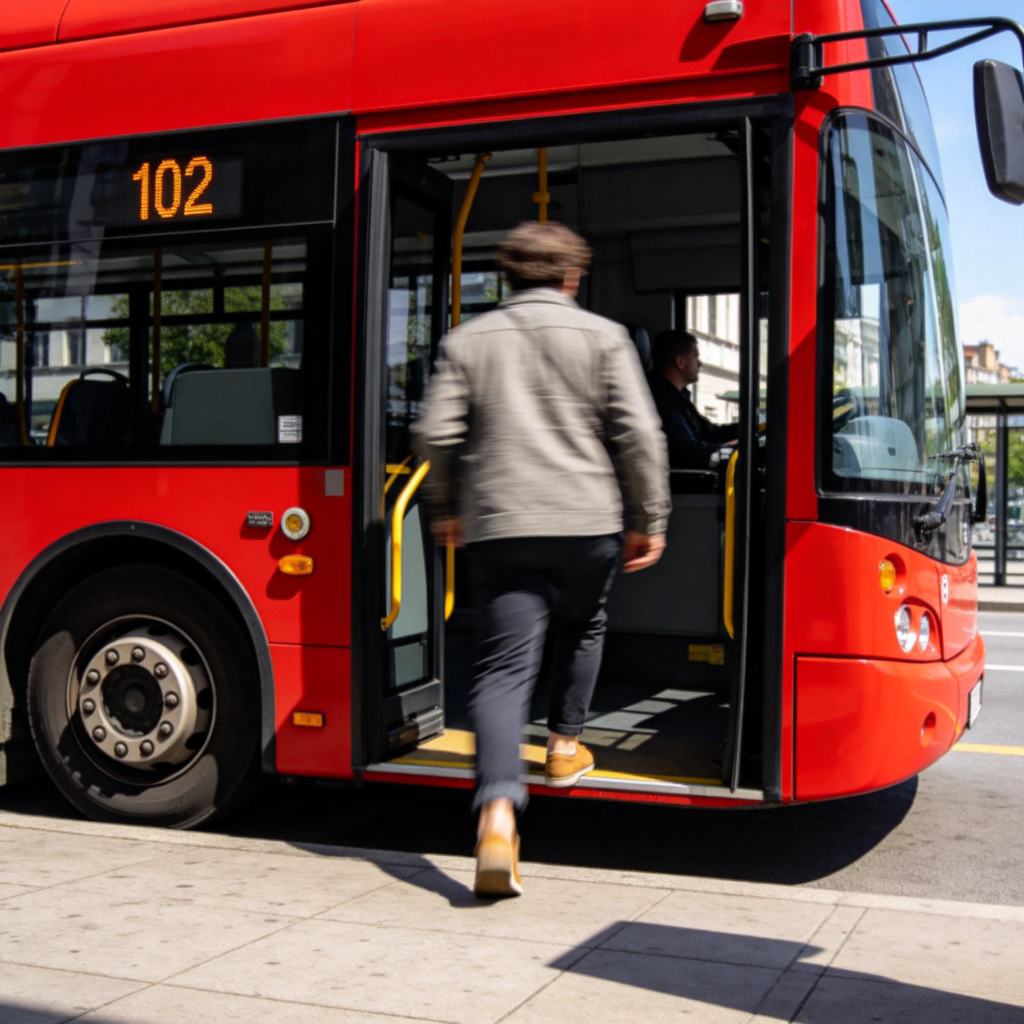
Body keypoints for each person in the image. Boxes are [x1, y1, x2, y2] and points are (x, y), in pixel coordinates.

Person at [411, 221, 670, 898]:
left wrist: (446, 506)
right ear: (570, 278)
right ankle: (563, 745)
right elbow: (640, 434)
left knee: (500, 671)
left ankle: (497, 817)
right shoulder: (606, 337)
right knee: (584, 623)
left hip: (503, 527)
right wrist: (650, 521)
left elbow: (433, 432)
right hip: (588, 524)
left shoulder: (466, 341)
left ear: (507, 277)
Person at [647, 329, 738, 469]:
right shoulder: (661, 401)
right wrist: (730, 452)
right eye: (695, 356)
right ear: (680, 362)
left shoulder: (678, 397)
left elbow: (710, 432)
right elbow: (688, 454)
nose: (700, 363)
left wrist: (750, 427)